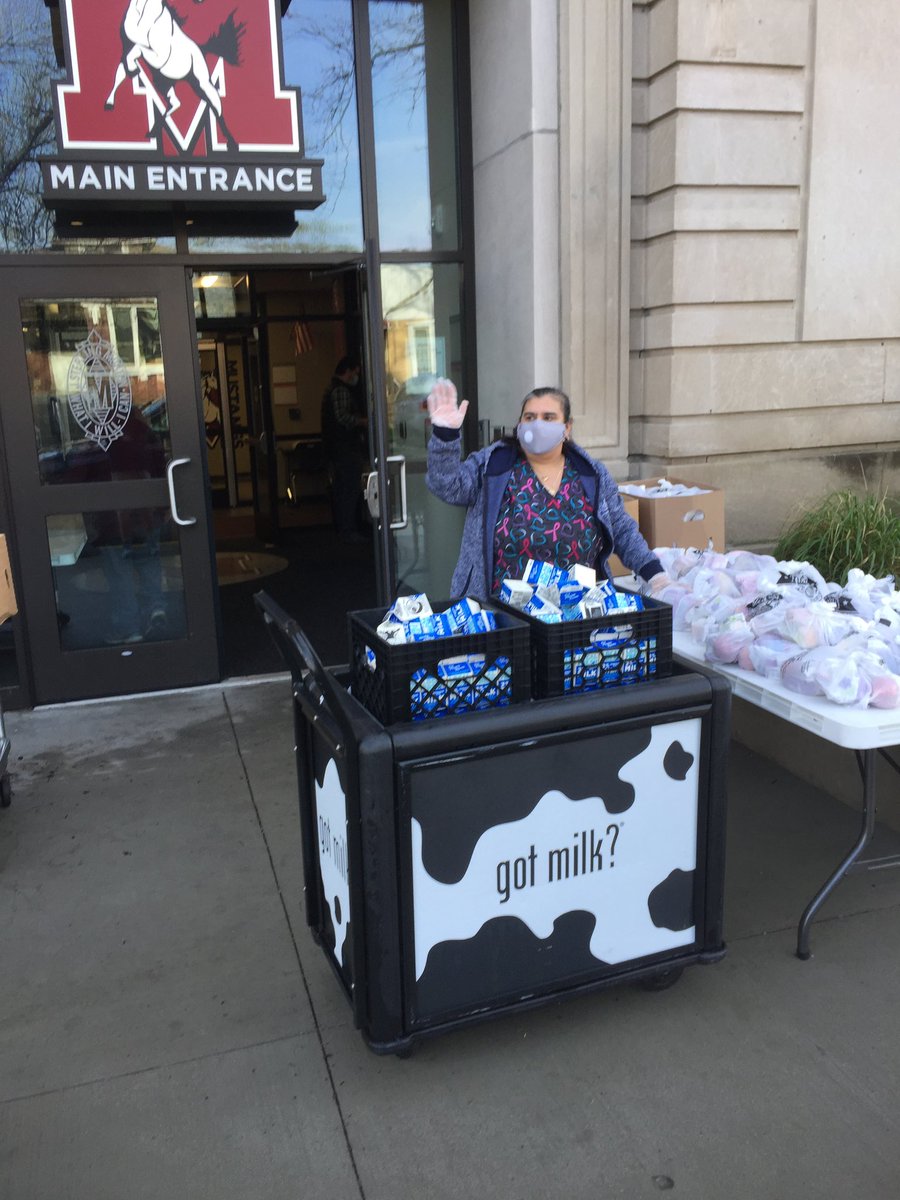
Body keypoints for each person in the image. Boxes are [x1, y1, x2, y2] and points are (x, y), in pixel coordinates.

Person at [425, 380, 671, 598]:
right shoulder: (493, 466)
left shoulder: (591, 473)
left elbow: (621, 528)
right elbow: (447, 484)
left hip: (574, 612)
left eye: (548, 417)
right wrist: (445, 436)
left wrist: (653, 572)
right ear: (519, 424)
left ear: (567, 427)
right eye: (529, 417)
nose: (537, 425)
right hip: (503, 616)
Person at [321, 356, 368, 541]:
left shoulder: (330, 389)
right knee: (349, 490)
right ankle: (348, 530)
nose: (356, 376)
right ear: (347, 371)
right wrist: (362, 421)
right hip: (346, 448)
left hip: (337, 449)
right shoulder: (340, 390)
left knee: (342, 490)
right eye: (355, 372)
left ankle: (344, 528)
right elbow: (342, 418)